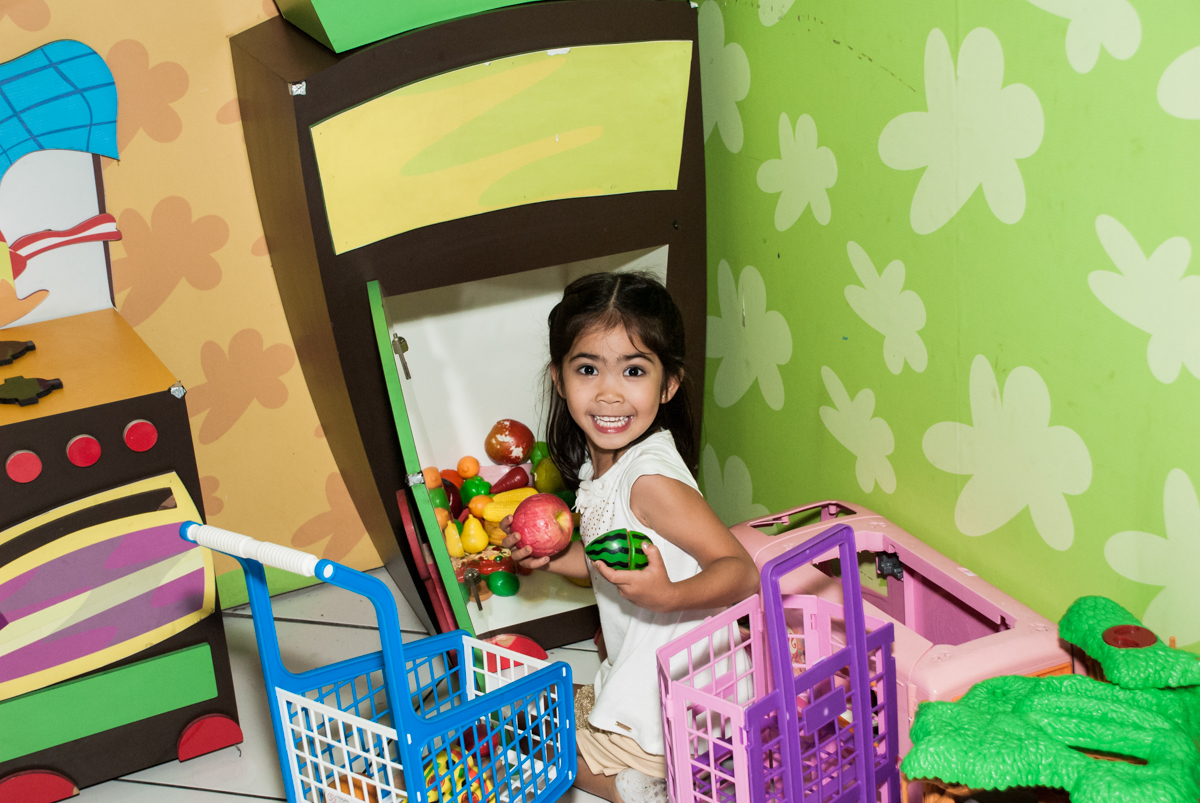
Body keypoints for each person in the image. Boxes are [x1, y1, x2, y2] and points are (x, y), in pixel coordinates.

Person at [502, 271, 760, 803]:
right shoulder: (601, 465)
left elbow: (743, 573)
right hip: (647, 668)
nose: (609, 392)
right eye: (588, 368)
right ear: (559, 378)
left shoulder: (649, 482)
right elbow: (605, 558)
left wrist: (668, 595)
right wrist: (552, 559)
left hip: (682, 688)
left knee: (523, 736)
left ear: (668, 385)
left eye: (634, 370)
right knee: (535, 703)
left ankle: (647, 788)